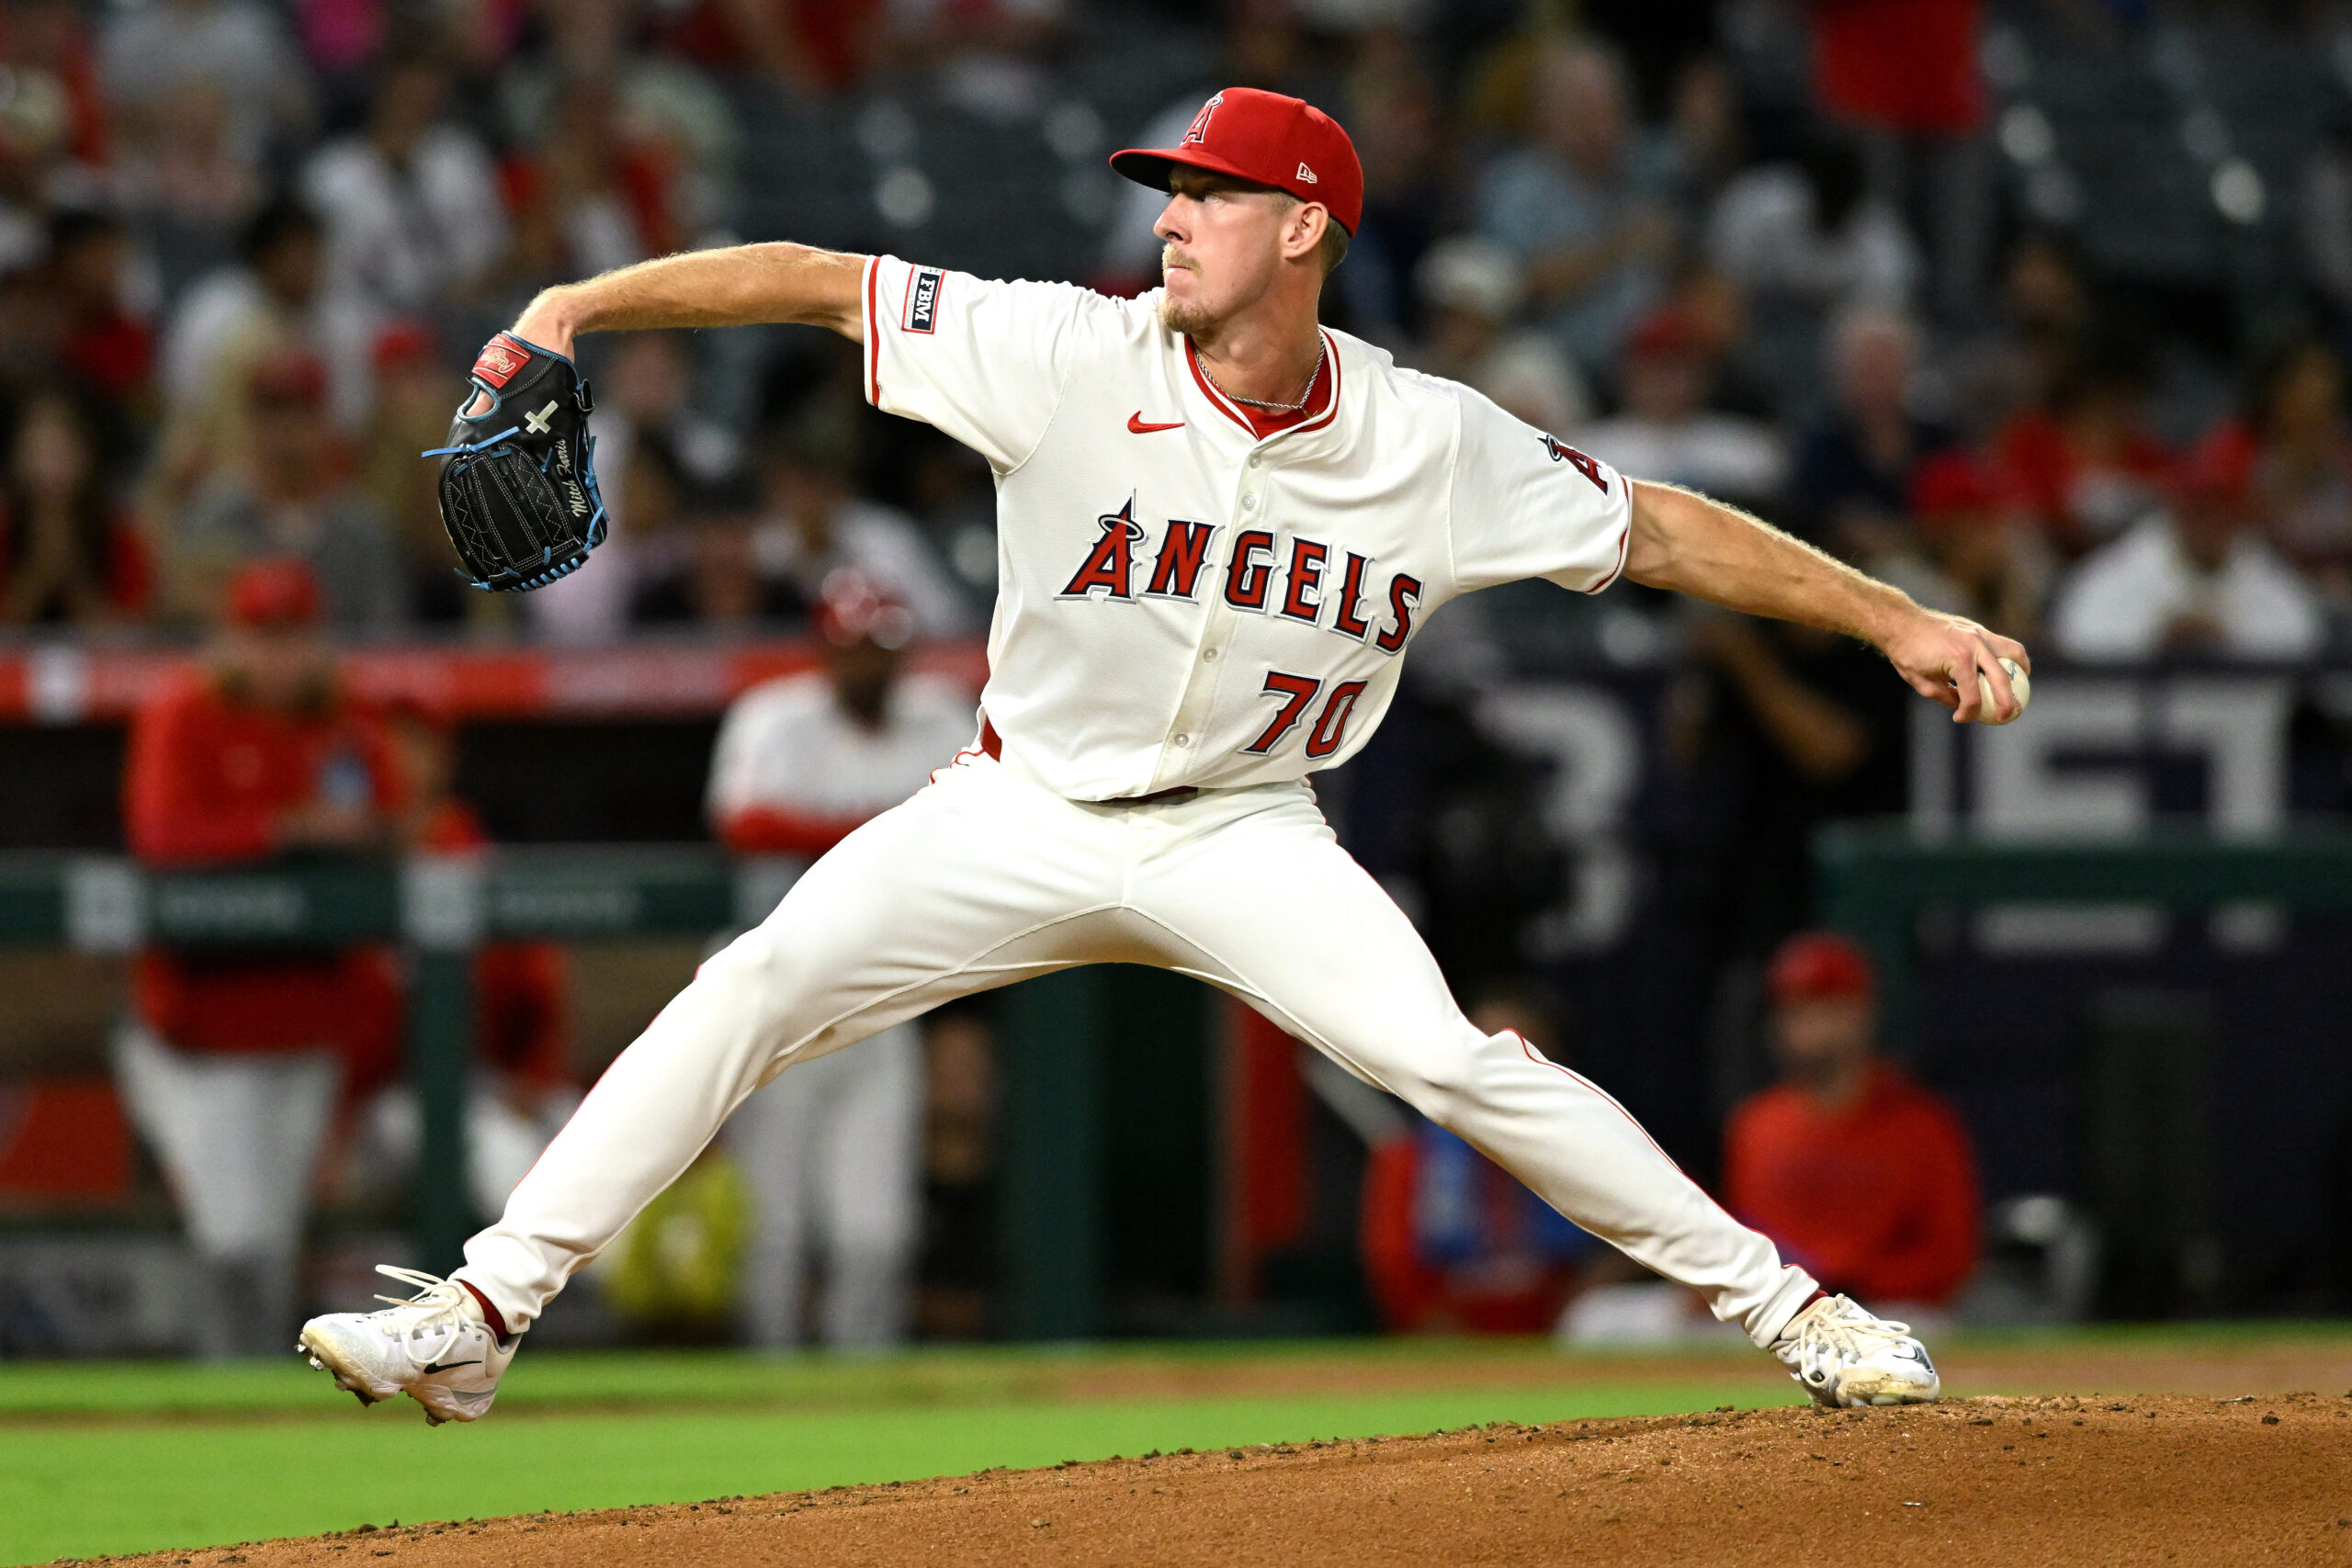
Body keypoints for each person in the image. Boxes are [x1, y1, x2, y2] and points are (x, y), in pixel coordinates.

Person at [301, 85, 2026, 1422]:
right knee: (755, 981)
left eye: (1206, 194)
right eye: (1172, 192)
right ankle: (482, 1310)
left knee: (1458, 1063)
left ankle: (1794, 1309)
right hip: (1017, 805)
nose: (1175, 221)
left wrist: (1895, 621)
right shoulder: (1063, 350)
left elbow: (1654, 532)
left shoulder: (1431, 440)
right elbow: (822, 285)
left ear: (1305, 228)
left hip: (1245, 831)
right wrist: (578, 301)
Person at [118, 557, 404, 1357]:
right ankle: (218, 1382)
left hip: (305, 1018)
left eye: (292, 637)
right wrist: (285, 829)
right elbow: (162, 838)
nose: (277, 656)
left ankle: (252, 1403)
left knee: (270, 1239)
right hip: (200, 1029)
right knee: (231, 1232)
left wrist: (346, 831)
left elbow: (387, 824)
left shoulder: (344, 723)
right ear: (231, 641)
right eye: (261, 636)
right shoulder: (185, 710)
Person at [704, 573, 976, 1348]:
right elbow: (743, 821)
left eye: (885, 648)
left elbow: (974, 830)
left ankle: (869, 1421)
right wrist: (887, 834)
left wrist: (836, 833)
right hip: (775, 997)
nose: (871, 665)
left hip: (878, 1003)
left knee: (874, 1234)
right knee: (774, 1234)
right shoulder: (773, 717)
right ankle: (769, 1400)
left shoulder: (937, 715)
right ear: (823, 649)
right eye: (855, 649)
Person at [1722, 931, 1980, 1310]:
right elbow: (1742, 1242)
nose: (1810, 1027)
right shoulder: (1755, 1125)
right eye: (1796, 1010)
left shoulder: (1921, 1125)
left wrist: (1858, 1284)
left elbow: (1949, 1256)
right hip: (1780, 1310)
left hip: (1889, 1311)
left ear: (1864, 1014)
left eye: (1828, 1008)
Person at [2051, 445, 2324, 663]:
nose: (2210, 520)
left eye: (2221, 507)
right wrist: (2157, 636)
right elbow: (2077, 634)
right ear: (2176, 507)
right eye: (2198, 508)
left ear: (2239, 512)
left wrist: (2227, 637)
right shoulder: (2130, 562)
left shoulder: (2257, 565)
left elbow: (2304, 636)